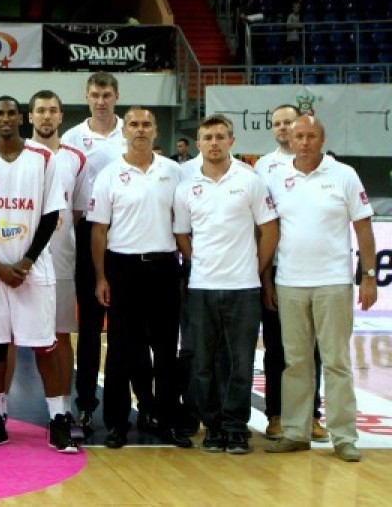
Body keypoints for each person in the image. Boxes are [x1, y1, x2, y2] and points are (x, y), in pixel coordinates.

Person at [0, 96, 75, 454]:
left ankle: (58, 419)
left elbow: (50, 216)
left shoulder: (44, 159)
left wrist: (26, 261)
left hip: (34, 270)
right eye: (0, 113)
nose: (6, 118)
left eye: (12, 113)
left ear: (21, 118)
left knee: (44, 345)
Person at [264, 116, 377, 463]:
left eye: (311, 136)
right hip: (289, 283)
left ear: (322, 139)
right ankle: (296, 432)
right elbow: (268, 231)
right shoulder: (275, 178)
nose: (304, 142)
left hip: (333, 282)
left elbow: (363, 227)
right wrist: (267, 279)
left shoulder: (344, 175)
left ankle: (344, 437)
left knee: (336, 362)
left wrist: (368, 275)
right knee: (295, 362)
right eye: (298, 136)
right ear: (290, 139)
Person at [174, 114, 279, 455]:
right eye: (208, 138)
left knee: (240, 363)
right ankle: (213, 426)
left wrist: (254, 269)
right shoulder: (186, 187)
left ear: (231, 141)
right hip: (201, 287)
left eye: (220, 137)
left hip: (243, 288)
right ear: (198, 144)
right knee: (203, 364)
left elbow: (270, 230)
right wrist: (197, 261)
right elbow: (181, 234)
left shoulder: (250, 180)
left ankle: (235, 427)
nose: (214, 143)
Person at [89, 105, 189, 450]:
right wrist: (101, 277)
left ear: (156, 131)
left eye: (147, 124)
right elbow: (99, 231)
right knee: (120, 349)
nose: (141, 129)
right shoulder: (109, 174)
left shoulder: (174, 171)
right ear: (125, 131)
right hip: (122, 268)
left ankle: (167, 419)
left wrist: (184, 270)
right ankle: (117, 423)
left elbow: (183, 224)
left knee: (165, 349)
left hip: (164, 267)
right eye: (134, 124)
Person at [253, 104, 327, 441]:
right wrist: (265, 276)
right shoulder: (263, 167)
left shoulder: (324, 166)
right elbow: (261, 226)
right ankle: (276, 414)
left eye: (288, 122)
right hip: (277, 268)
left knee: (312, 349)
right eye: (277, 123)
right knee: (277, 348)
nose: (282, 128)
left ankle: (311, 415)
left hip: (315, 271)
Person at [60, 71, 128, 437]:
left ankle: (126, 409)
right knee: (88, 327)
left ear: (116, 96)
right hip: (88, 232)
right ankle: (85, 406)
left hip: (127, 233)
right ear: (87, 97)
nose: (101, 101)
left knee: (126, 328)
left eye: (106, 95)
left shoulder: (130, 131)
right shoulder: (72, 138)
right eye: (95, 95)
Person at [26, 90, 88, 435]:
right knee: (9, 340)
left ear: (62, 116)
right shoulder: (17, 153)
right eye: (40, 111)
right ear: (30, 116)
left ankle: (63, 411)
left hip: (61, 262)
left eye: (52, 110)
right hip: (20, 263)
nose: (47, 116)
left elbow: (76, 211)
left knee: (60, 336)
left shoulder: (76, 158)